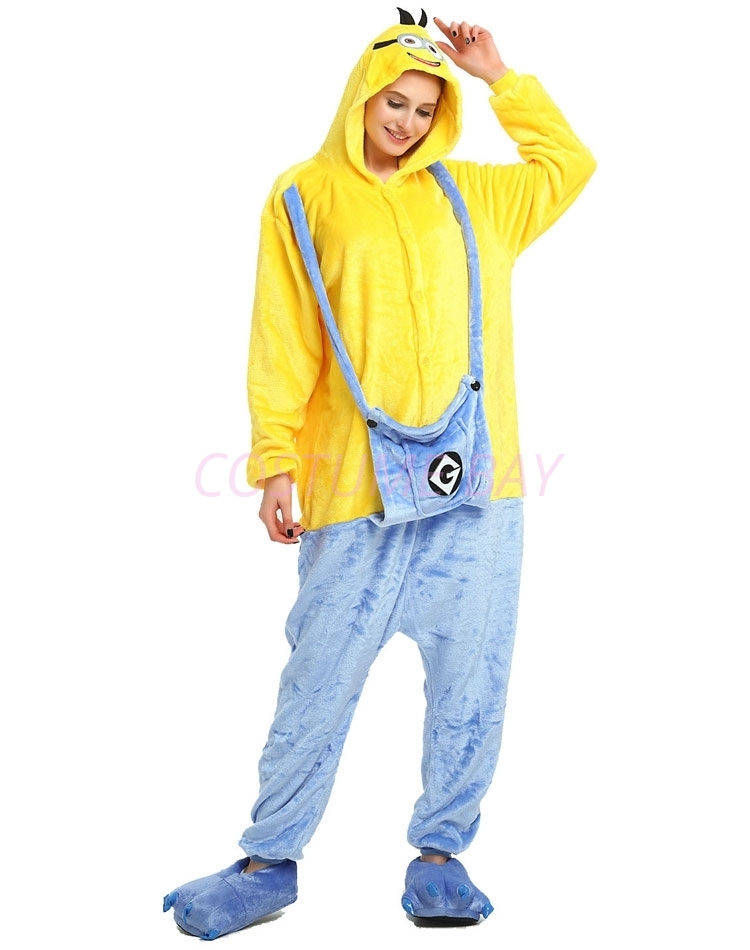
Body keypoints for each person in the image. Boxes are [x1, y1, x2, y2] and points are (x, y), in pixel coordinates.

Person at [163, 8, 595, 938]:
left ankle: (441, 858)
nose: (405, 121)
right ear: (360, 97)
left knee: (473, 681)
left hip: (477, 492)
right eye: (393, 102)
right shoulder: (303, 195)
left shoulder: (475, 195)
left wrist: (499, 76)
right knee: (317, 680)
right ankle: (268, 861)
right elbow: (283, 336)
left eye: (424, 107)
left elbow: (568, 164)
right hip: (352, 489)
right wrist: (275, 461)